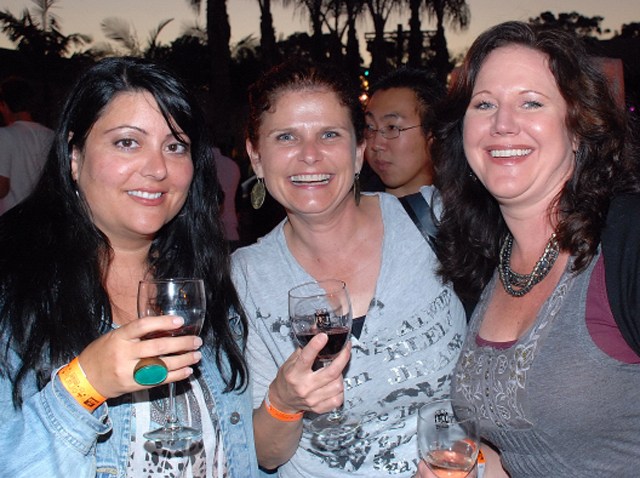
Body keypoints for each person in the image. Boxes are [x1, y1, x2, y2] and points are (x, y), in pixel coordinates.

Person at [0, 57, 258, 477]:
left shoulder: (206, 285)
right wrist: (85, 384)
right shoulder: (14, 294)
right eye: (127, 142)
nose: (157, 169)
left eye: (175, 146)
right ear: (74, 156)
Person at [417, 21, 640, 477]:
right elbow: (525, 450)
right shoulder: (484, 260)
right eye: (484, 104)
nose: (502, 124)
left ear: (578, 128)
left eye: (531, 102)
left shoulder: (628, 241)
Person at [231, 60, 467, 477]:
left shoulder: (435, 220)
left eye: (330, 134)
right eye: (286, 137)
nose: (309, 155)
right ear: (256, 157)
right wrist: (284, 402)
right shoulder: (246, 276)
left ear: (358, 152)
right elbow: (267, 455)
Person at [363, 67, 445, 197]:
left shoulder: (466, 206)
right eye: (370, 127)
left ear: (432, 134)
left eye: (392, 127)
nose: (376, 145)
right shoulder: (350, 205)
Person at [0, 77, 54, 214]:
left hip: (11, 219)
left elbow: (2, 188)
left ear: (5, 105)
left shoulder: (4, 135)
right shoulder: (51, 135)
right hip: (43, 215)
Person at [212, 145, 241, 248]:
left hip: (209, 233)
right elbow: (238, 198)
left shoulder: (202, 165)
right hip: (231, 229)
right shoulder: (232, 165)